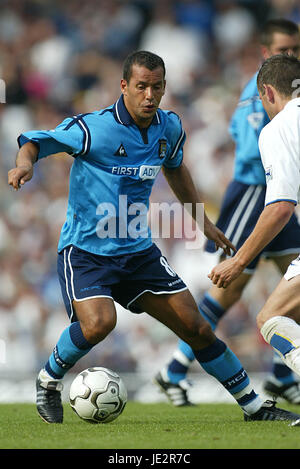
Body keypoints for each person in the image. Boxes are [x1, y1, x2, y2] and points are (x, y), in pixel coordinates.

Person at [8, 50, 300, 425]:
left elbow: (176, 169)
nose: (150, 95)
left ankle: (254, 407)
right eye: (142, 86)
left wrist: (202, 222)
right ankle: (48, 381)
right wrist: (24, 163)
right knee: (99, 324)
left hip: (138, 252)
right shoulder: (91, 128)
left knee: (196, 327)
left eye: (157, 87)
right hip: (86, 252)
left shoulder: (169, 127)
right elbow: (35, 141)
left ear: (164, 88)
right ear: (124, 86)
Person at [154, 19, 300, 407]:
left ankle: (284, 376)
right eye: (284, 49)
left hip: (275, 193)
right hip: (257, 192)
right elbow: (253, 151)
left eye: (295, 48)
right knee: (227, 290)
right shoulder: (264, 90)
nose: (292, 55)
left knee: (290, 287)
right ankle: (174, 368)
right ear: (267, 53)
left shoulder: (286, 88)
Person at [209, 53, 300, 394]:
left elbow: (279, 208)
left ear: (267, 93)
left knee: (271, 318)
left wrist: (239, 260)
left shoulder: (278, 128)